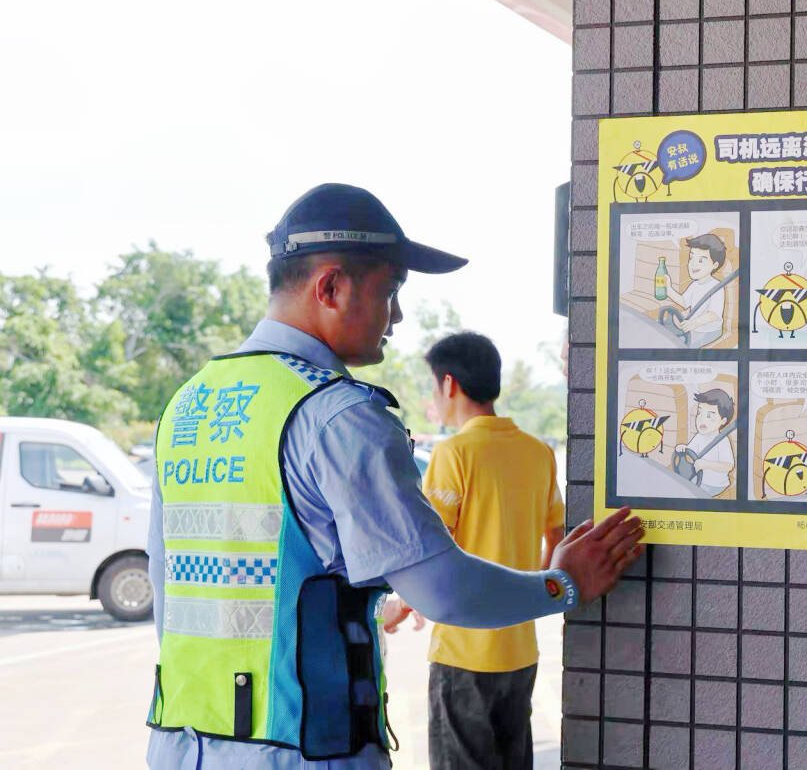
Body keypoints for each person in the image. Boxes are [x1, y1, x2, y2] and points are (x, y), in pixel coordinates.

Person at [145, 183, 643, 769]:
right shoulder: (338, 416)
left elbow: (166, 587)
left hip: (181, 744)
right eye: (390, 290)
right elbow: (442, 590)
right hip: (304, 751)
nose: (397, 315)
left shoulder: (188, 404)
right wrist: (562, 584)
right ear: (330, 287)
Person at [381, 331, 563, 768]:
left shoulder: (455, 453)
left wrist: (404, 604)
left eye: (433, 387)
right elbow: (556, 538)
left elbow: (431, 549)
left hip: (463, 652)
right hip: (520, 651)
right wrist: (528, 600)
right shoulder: (538, 452)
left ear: (449, 384)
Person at [663, 232, 727, 347]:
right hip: (693, 326)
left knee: (682, 346)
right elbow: (684, 302)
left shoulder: (716, 287)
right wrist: (668, 290)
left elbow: (714, 314)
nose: (693, 264)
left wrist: (695, 323)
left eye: (701, 260)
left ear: (715, 265)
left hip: (709, 330)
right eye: (691, 258)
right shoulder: (695, 285)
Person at [672, 389, 735, 497]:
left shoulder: (722, 441)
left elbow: (728, 466)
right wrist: (683, 448)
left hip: (715, 484)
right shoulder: (699, 436)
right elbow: (690, 453)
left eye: (709, 416)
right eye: (699, 413)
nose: (702, 420)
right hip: (698, 480)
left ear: (723, 421)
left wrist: (706, 464)